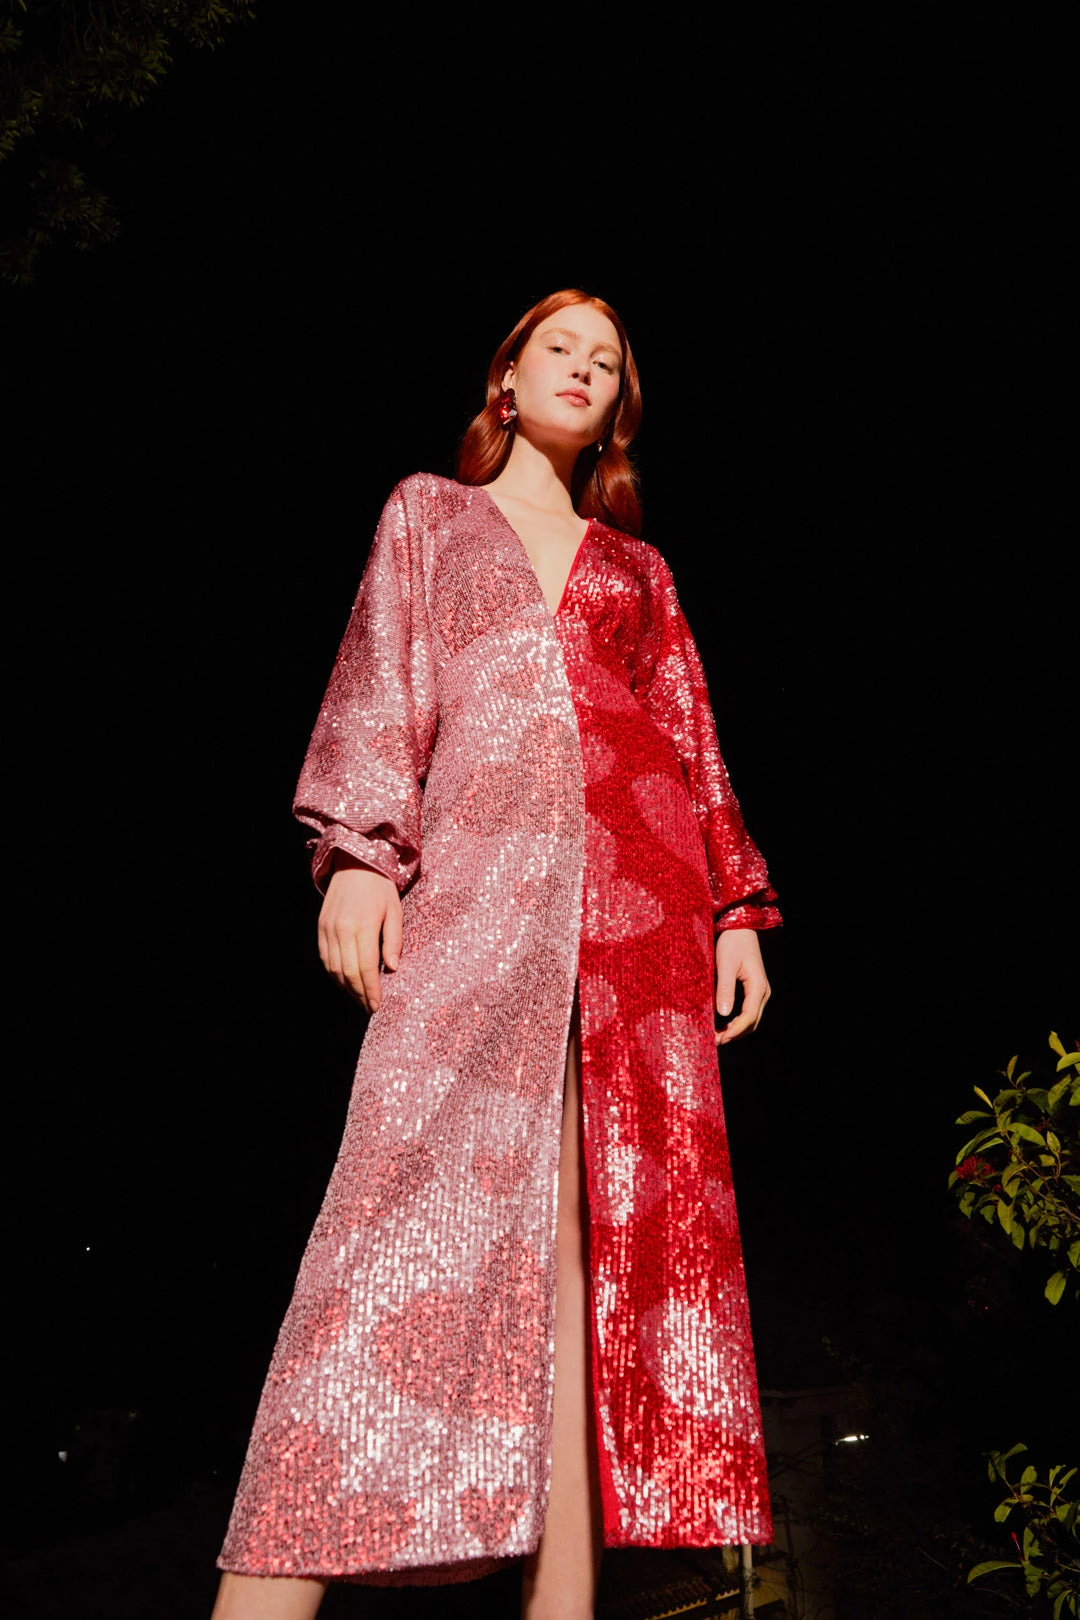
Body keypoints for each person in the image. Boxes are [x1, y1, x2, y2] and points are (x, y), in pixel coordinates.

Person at [211, 290, 781, 1620]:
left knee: (593, 1261)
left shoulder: (641, 571)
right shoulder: (430, 513)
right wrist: (361, 853)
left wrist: (734, 909)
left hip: (639, 919)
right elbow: (382, 678)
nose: (582, 368)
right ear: (507, 381)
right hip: (477, 901)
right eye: (557, 348)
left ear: (619, 407)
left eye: (607, 360)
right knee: (383, 1225)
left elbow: (689, 738)